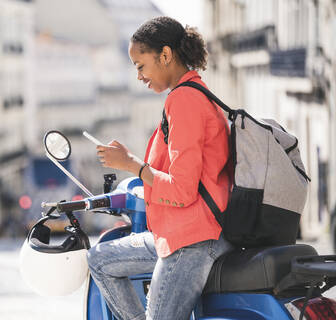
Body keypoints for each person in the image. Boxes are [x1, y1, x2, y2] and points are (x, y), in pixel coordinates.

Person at [86, 16, 234, 320]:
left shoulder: (184, 101)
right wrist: (133, 163)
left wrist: (130, 164)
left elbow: (181, 190)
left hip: (191, 241)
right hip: (179, 233)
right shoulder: (193, 93)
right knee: (99, 259)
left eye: (141, 66)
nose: (139, 76)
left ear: (165, 55)